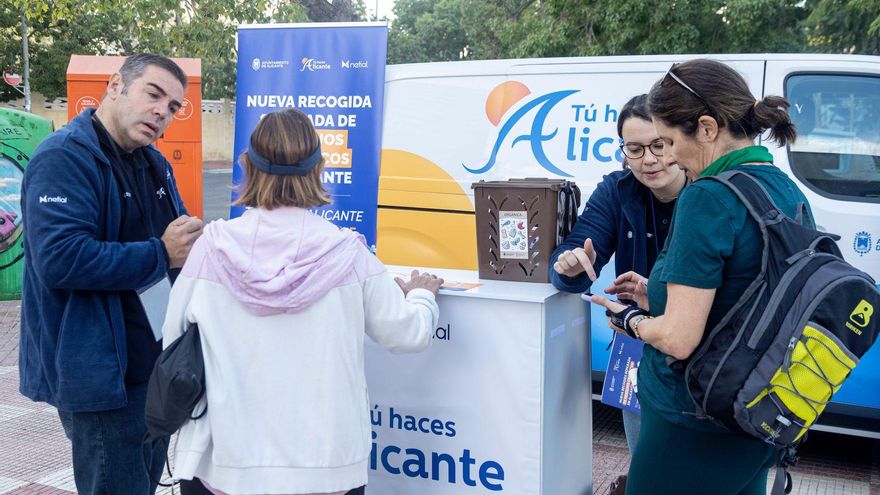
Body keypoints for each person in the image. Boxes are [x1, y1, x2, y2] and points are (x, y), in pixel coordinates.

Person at [162, 108, 442, 495]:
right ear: (319, 168)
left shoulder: (210, 249)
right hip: (326, 469)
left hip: (224, 465)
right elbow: (408, 334)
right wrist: (422, 294)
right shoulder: (348, 255)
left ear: (247, 165)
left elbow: (172, 339)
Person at [591, 58, 804, 494]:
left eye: (668, 141)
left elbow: (678, 339)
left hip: (690, 415)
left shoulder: (707, 196)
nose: (667, 157)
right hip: (754, 408)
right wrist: (658, 294)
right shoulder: (781, 186)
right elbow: (749, 295)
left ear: (707, 129)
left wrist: (629, 318)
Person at [19, 53, 203, 495]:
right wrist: (161, 252)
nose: (162, 112)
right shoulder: (64, 158)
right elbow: (60, 258)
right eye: (154, 95)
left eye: (174, 107)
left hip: (152, 364)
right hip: (99, 373)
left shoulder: (153, 162)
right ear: (116, 86)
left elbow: (178, 244)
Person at [550, 94, 687, 459]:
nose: (650, 160)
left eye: (659, 145)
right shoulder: (617, 189)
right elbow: (569, 258)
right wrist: (571, 267)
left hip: (699, 349)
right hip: (637, 343)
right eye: (635, 148)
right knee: (645, 463)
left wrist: (657, 295)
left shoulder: (708, 193)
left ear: (679, 142)